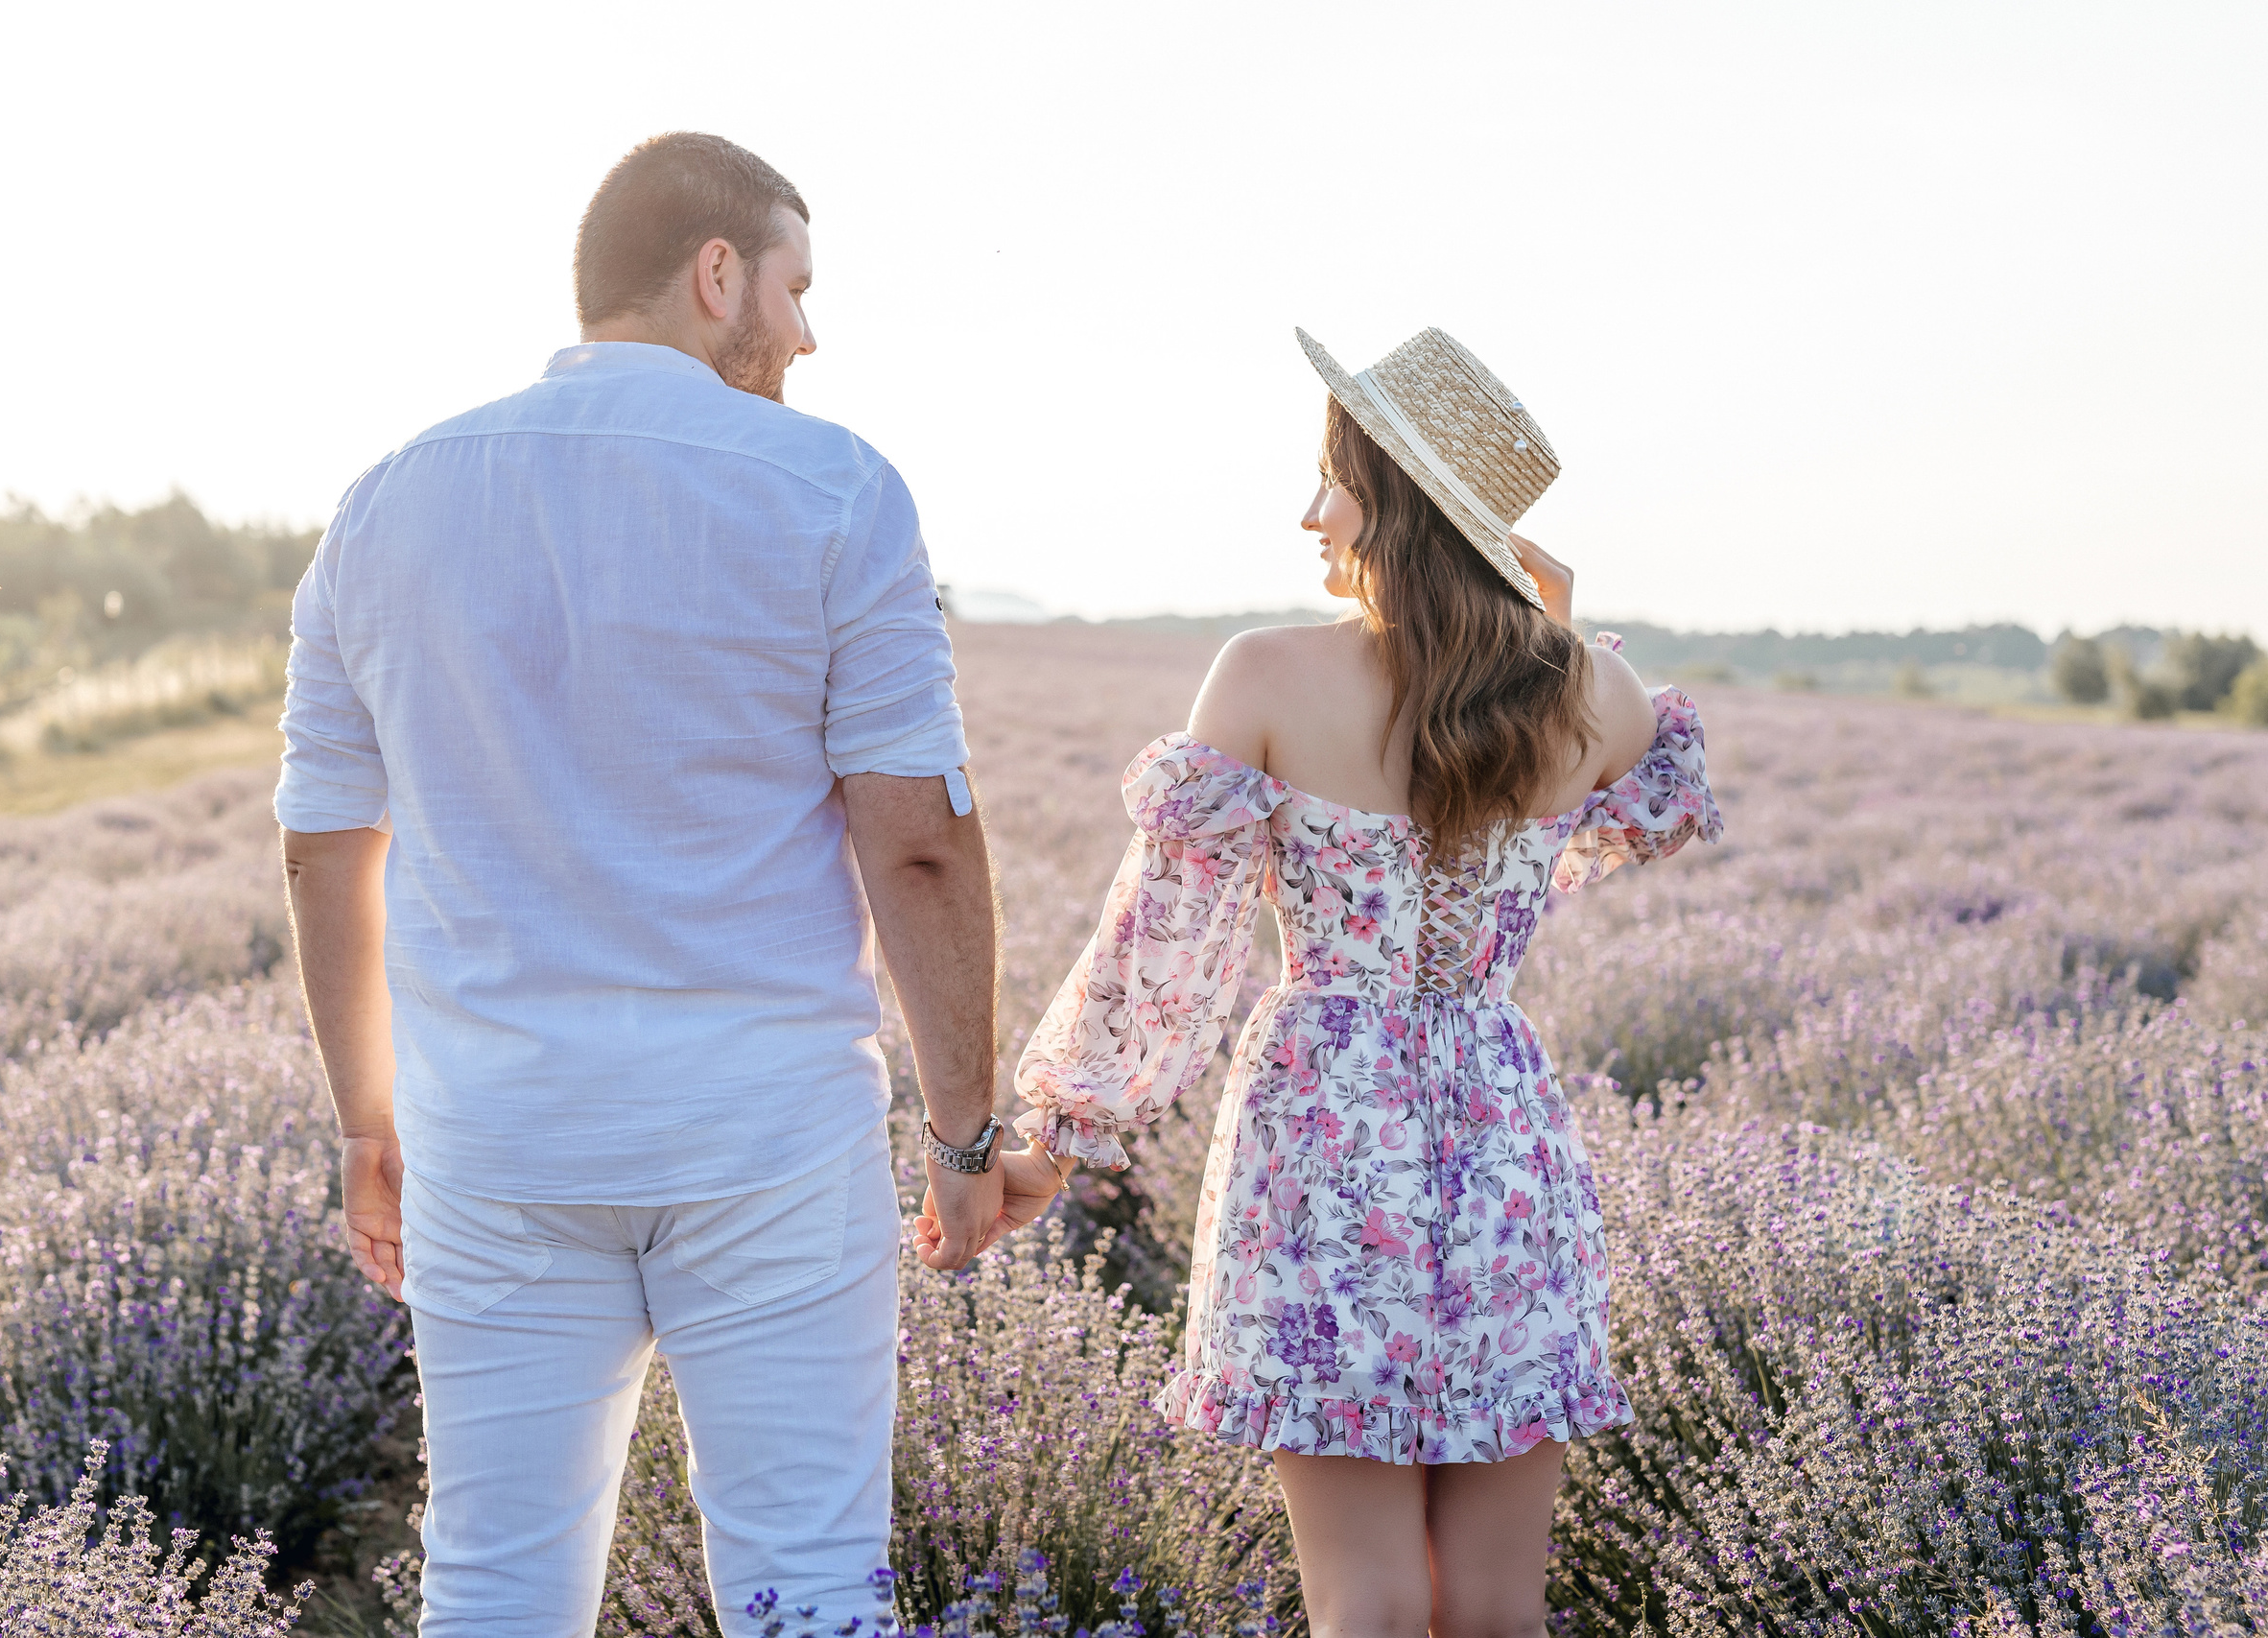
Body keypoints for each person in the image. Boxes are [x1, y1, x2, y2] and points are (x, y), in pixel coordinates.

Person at [276, 132, 1044, 1636]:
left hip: (493, 1136)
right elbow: (921, 842)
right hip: (761, 1131)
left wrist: (369, 1121)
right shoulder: (833, 489)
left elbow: (325, 849)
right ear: (715, 277)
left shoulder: (386, 502)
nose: (809, 332)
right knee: (805, 1582)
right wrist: (967, 1134)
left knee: (498, 1580)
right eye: (796, 287)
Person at [948, 328, 1723, 1638]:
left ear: (1411, 508)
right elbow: (1636, 811)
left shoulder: (1264, 674)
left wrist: (1056, 1140)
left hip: (1321, 1139)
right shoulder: (1596, 694)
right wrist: (1559, 633)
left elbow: (1161, 954)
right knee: (1494, 1607)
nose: (1312, 510)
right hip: (1503, 1135)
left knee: (1358, 1601)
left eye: (1337, 477)